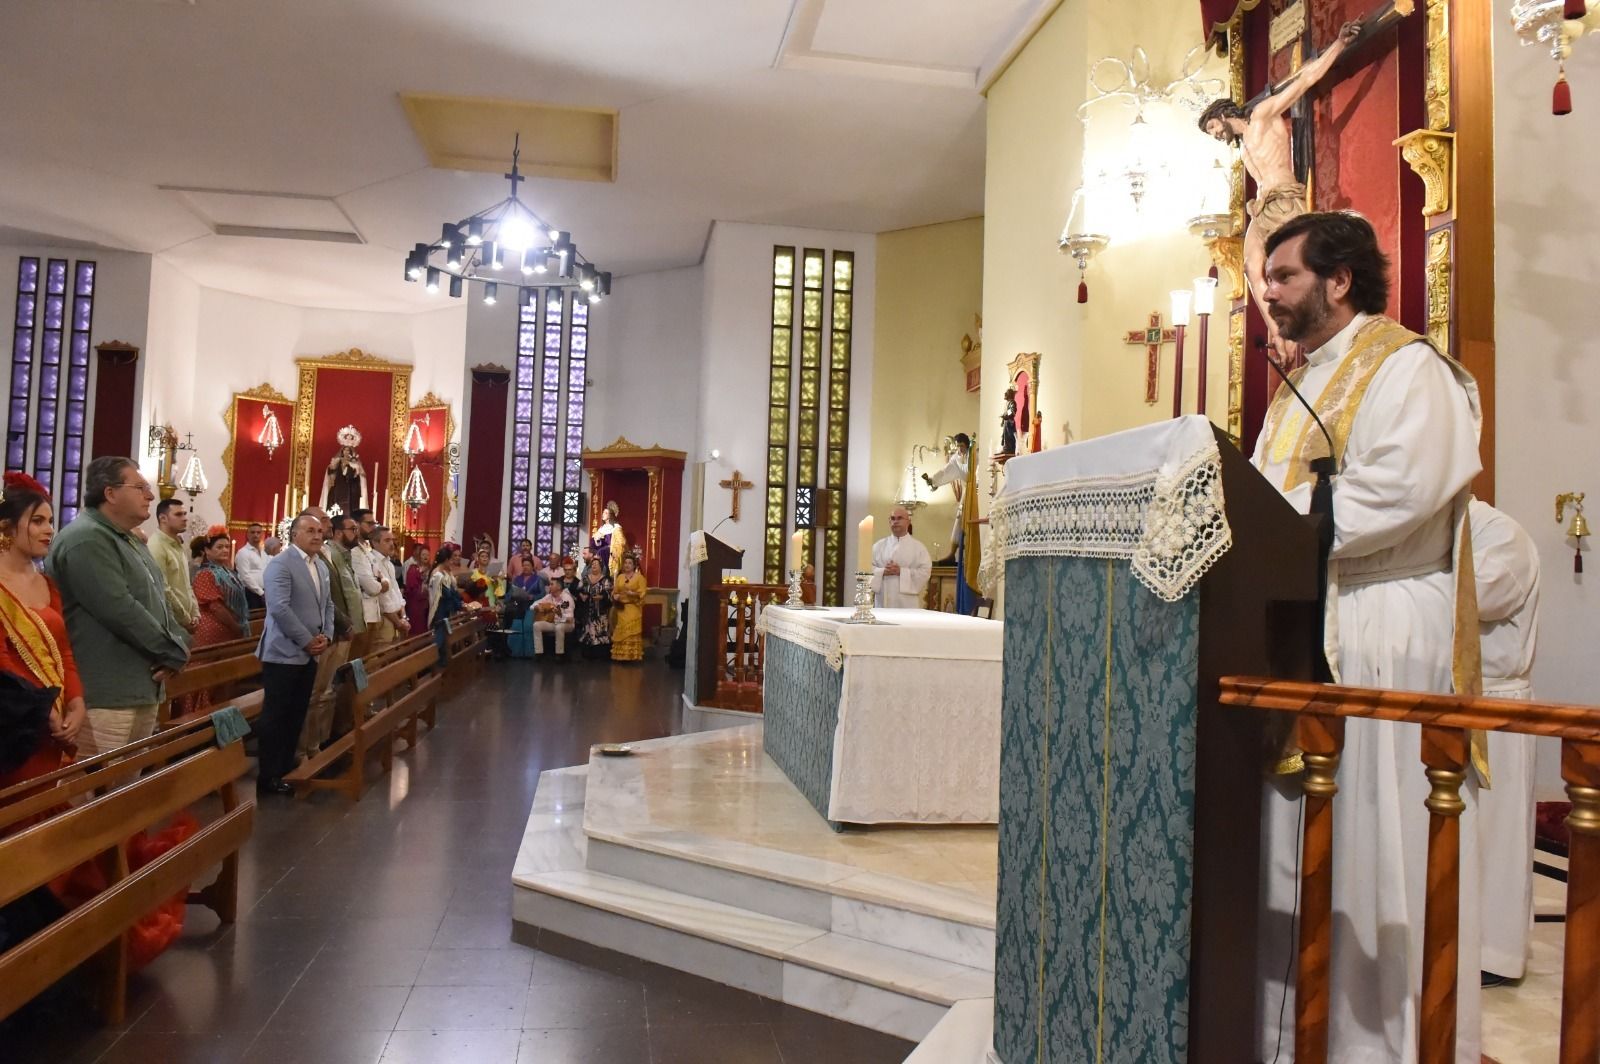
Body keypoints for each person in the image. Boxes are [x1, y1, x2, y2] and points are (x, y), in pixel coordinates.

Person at [1249, 211, 1483, 1063]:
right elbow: (1261, 496)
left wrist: (1273, 530)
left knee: (1374, 848)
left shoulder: (1410, 369)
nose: (1266, 293)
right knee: (1307, 848)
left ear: (1338, 280)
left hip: (1379, 629)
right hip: (1301, 629)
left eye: (1283, 276)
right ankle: (1297, 1035)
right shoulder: (1296, 386)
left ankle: (1374, 1044)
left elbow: (1404, 488)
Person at [1199, 18, 1361, 356]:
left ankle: (1329, 320)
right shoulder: (1242, 148)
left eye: (1214, 126)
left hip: (1285, 201)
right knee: (1250, 265)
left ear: (1224, 114)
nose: (1216, 135)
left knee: (1303, 264)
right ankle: (1278, 332)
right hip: (1263, 208)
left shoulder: (1262, 115)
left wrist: (1340, 44)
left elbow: (1305, 80)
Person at [46, 457, 189, 759]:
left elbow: (159, 600)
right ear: (110, 494)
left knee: (127, 794)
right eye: (140, 488)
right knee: (94, 797)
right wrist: (171, 650)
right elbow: (120, 609)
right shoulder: (85, 539)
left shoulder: (128, 540)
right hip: (106, 693)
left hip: (139, 686)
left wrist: (179, 645)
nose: (150, 496)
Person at [1469, 500, 1541, 986]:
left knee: (1496, 840)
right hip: (1458, 701)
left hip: (1498, 706)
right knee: (1467, 836)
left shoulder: (1502, 535)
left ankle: (1495, 954)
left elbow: (1469, 600)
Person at [0, 472, 86, 791]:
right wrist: (42, 710)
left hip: (56, 719)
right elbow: (3, 662)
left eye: (50, 521)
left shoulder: (47, 585)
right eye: (37, 521)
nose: (50, 530)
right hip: (15, 725)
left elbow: (65, 653)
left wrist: (77, 703)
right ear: (7, 527)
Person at [255, 513, 333, 796]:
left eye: (319, 531)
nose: (317, 535)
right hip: (283, 652)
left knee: (297, 712)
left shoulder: (320, 565)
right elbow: (279, 608)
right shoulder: (281, 564)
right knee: (276, 715)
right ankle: (268, 776)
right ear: (295, 534)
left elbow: (328, 605)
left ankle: (285, 768)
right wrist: (307, 640)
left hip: (311, 651)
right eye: (310, 530)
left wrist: (327, 635)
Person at [190, 526, 250, 647]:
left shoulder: (227, 571)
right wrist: (235, 626)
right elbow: (215, 607)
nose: (225, 550)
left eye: (227, 547)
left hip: (230, 628)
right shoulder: (205, 573)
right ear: (207, 550)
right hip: (214, 630)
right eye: (219, 547)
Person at [147, 496, 198, 635]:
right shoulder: (156, 546)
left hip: (185, 621)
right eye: (178, 514)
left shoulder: (177, 544)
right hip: (170, 623)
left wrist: (195, 614)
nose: (185, 518)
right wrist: (186, 619)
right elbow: (163, 588)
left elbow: (186, 585)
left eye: (185, 514)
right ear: (163, 518)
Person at [869, 505, 932, 609]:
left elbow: (925, 572)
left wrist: (901, 572)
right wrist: (882, 571)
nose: (895, 521)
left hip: (907, 603)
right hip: (883, 601)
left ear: (908, 521)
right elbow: (866, 568)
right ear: (889, 522)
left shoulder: (919, 548)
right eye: (892, 518)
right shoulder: (878, 546)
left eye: (900, 518)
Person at [922, 433, 971, 563]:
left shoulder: (974, 455)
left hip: (977, 491)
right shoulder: (956, 458)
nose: (960, 449)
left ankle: (971, 554)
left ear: (967, 444)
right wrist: (934, 480)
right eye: (958, 446)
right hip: (968, 491)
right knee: (959, 520)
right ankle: (952, 554)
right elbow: (946, 471)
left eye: (962, 445)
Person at [351, 512, 395, 646]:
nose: (373, 527)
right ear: (357, 525)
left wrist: (381, 581)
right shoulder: (354, 551)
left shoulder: (366, 550)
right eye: (369, 523)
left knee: (369, 660)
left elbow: (379, 576)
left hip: (373, 614)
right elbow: (372, 587)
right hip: (363, 614)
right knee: (359, 658)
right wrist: (383, 583)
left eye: (374, 523)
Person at [368, 526, 409, 644]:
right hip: (384, 619)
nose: (392, 544)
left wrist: (404, 617)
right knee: (381, 656)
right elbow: (383, 599)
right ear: (375, 543)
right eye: (387, 541)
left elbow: (395, 591)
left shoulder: (389, 563)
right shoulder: (372, 562)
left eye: (392, 540)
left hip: (396, 618)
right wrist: (398, 622)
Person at [427, 545, 465, 667]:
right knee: (439, 639)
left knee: (445, 640)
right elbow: (447, 594)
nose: (452, 562)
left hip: (446, 610)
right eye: (451, 559)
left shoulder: (444, 573)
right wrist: (460, 605)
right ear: (446, 560)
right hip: (440, 611)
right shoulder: (437, 575)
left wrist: (461, 602)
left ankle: (443, 664)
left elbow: (452, 592)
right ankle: (434, 664)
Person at [611, 552, 648, 662]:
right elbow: (615, 591)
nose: (627, 565)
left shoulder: (639, 578)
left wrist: (634, 594)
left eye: (630, 563)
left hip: (633, 608)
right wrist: (615, 595)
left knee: (631, 631)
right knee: (621, 631)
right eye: (625, 563)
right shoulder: (620, 577)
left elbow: (643, 592)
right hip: (621, 608)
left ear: (634, 565)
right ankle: (621, 656)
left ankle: (631, 656)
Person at [575, 557, 612, 660]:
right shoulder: (585, 578)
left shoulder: (605, 579)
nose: (594, 565)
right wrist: (581, 595)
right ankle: (587, 653)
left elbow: (609, 593)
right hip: (587, 610)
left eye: (596, 564)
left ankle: (600, 654)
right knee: (587, 629)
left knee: (600, 630)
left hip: (600, 611)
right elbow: (578, 590)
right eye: (592, 564)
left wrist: (602, 597)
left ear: (601, 567)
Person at [531, 572, 575, 659]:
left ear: (558, 587)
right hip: (553, 622)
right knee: (536, 625)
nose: (549, 586)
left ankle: (559, 654)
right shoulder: (549, 597)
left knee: (559, 627)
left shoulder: (566, 599)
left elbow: (569, 618)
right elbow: (532, 605)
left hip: (567, 624)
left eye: (551, 584)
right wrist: (537, 607)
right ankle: (539, 653)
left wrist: (559, 614)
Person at [234, 521, 268, 609]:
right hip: (250, 593)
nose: (255, 535)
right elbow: (245, 576)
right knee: (252, 619)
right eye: (252, 532)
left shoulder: (264, 553)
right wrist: (261, 592)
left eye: (258, 532)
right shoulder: (243, 553)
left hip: (265, 592)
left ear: (262, 535)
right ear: (247, 535)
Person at [589, 501, 626, 578]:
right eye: (603, 513)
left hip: (611, 551)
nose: (603, 514)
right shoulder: (602, 528)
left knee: (601, 551)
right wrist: (597, 540)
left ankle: (604, 574)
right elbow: (595, 543)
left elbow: (621, 542)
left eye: (605, 513)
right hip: (602, 550)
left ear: (610, 515)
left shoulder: (616, 527)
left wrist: (605, 539)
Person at [405, 544, 431, 636]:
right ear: (419, 555)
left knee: (426, 626)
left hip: (428, 603)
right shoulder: (413, 568)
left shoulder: (432, 569)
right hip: (415, 603)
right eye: (423, 554)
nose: (425, 557)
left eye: (427, 555)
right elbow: (410, 588)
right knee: (416, 627)